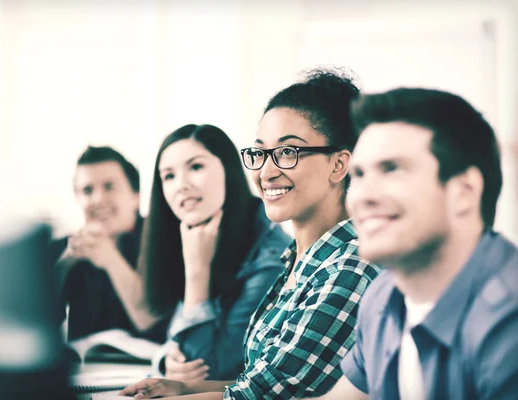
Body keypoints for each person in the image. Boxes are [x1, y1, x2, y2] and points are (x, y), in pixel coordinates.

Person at [120, 68, 382, 399]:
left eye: (288, 152)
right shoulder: (299, 261)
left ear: (338, 165)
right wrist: (182, 386)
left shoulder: (350, 266)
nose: (266, 171)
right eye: (260, 153)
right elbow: (258, 381)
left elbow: (263, 397)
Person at [310, 88, 518, 399]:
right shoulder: (383, 295)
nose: (363, 196)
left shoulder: (508, 321)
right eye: (360, 174)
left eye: (392, 169)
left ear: (464, 191)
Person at [138, 124, 291, 381]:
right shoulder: (198, 234)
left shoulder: (270, 258)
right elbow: (177, 341)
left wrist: (197, 273)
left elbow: (209, 370)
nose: (181, 186)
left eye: (196, 167)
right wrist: (165, 360)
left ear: (228, 171)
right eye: (169, 176)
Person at [51, 146, 167, 342]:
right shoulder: (67, 249)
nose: (98, 199)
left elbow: (153, 322)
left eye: (109, 187)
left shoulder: (162, 239)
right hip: (89, 369)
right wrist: (64, 267)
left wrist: (110, 258)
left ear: (135, 196)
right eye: (87, 190)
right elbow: (35, 326)